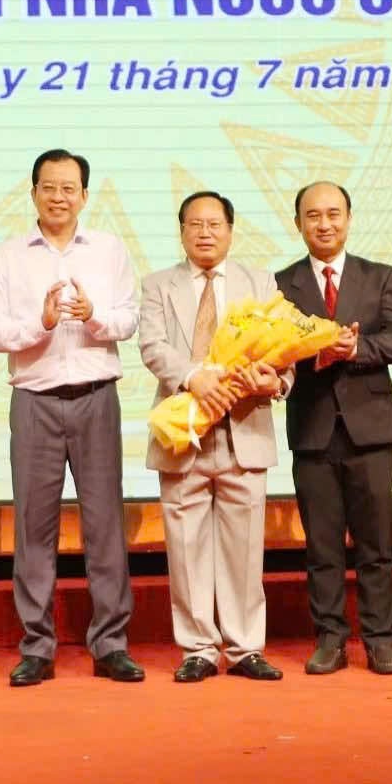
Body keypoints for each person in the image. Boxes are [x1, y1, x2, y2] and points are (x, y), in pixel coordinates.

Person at [0, 149, 144, 687]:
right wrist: (43, 322)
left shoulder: (109, 250)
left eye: (68, 188)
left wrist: (94, 317)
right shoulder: (7, 256)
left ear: (84, 195)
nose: (58, 197)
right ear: (33, 193)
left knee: (105, 525)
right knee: (33, 527)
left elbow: (129, 319)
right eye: (48, 187)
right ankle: (37, 647)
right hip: (35, 400)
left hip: (96, 397)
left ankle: (111, 644)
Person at [136, 190, 287, 684]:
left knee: (244, 548)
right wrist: (193, 377)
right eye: (195, 224)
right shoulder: (157, 284)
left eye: (214, 224)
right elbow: (152, 345)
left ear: (230, 230)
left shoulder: (260, 282)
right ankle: (198, 647)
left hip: (244, 427)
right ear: (181, 231)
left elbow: (283, 348)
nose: (205, 233)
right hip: (184, 431)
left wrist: (275, 380)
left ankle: (245, 648)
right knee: (186, 546)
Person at [277, 180, 392, 675]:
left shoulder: (380, 276)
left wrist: (356, 349)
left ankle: (380, 639)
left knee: (376, 545)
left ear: (349, 219)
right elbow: (273, 349)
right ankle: (330, 639)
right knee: (323, 546)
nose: (324, 224)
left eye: (333, 214)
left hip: (370, 430)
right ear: (298, 223)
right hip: (313, 429)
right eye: (313, 215)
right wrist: (316, 353)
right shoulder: (281, 284)